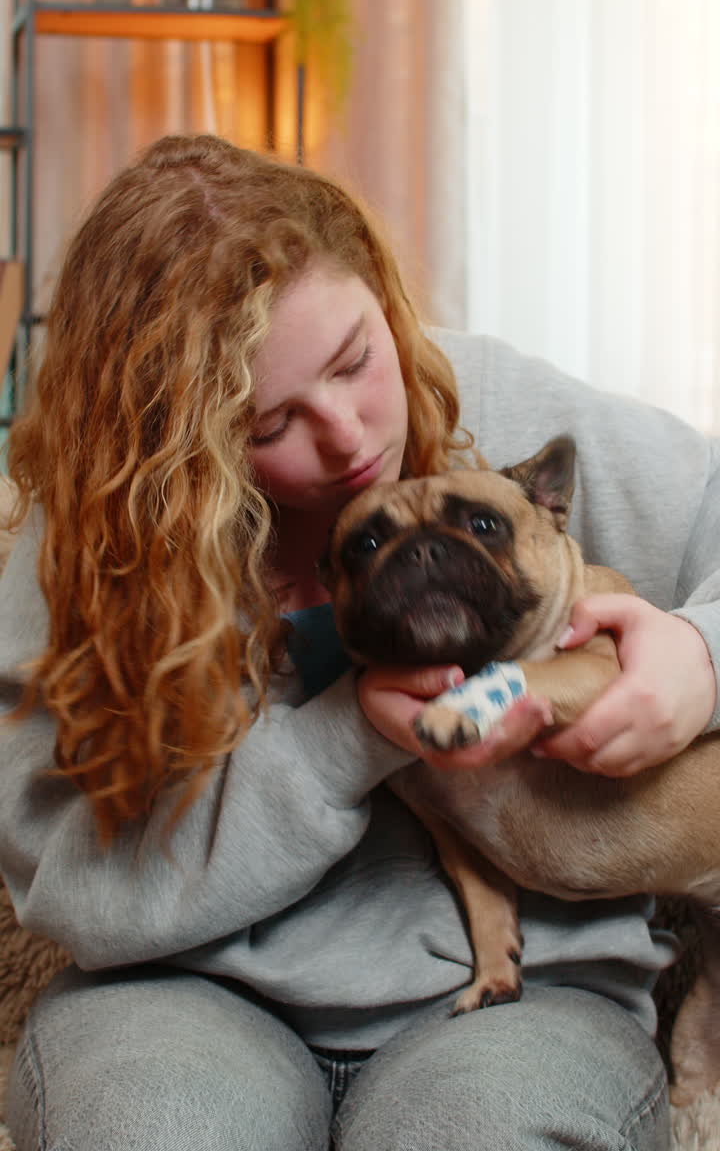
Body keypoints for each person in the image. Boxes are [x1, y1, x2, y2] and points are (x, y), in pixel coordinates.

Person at [0, 133, 717, 1151]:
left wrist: (703, 651)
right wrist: (347, 738)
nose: (346, 433)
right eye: (270, 420)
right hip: (178, 999)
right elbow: (71, 878)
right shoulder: (95, 534)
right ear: (172, 442)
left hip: (528, 1006)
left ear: (384, 294)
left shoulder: (503, 408)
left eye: (354, 359)